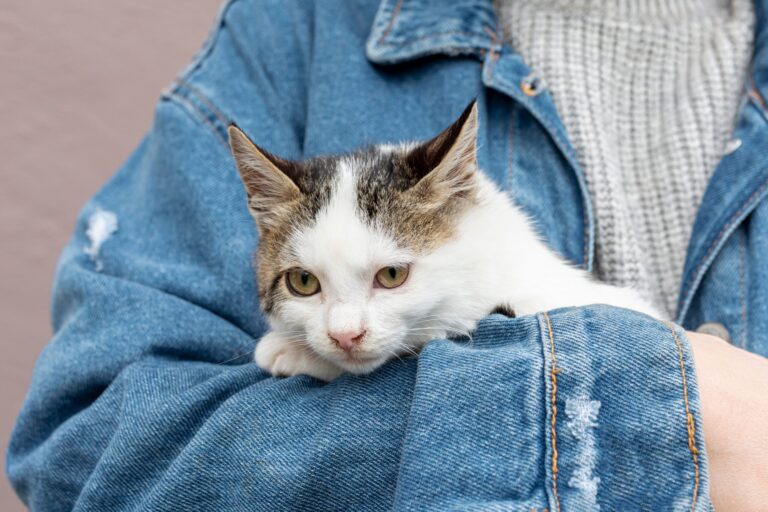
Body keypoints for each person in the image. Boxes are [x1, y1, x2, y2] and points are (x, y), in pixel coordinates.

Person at [7, 0, 768, 510]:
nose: (344, 328)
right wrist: (680, 412)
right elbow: (83, 450)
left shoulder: (482, 244)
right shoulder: (296, 26)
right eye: (304, 281)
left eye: (390, 275)